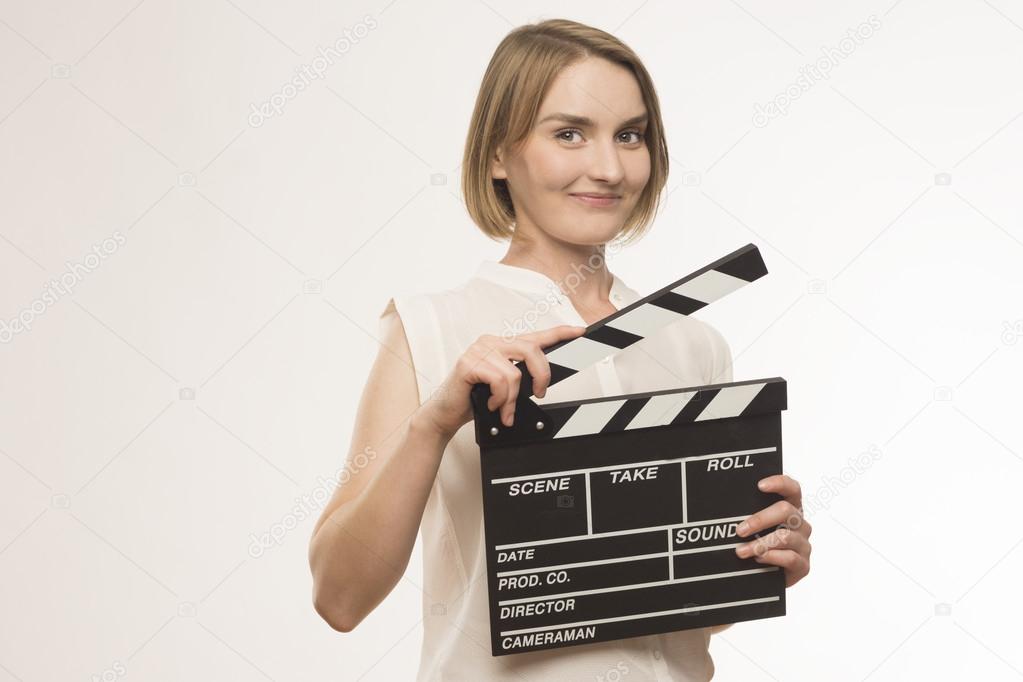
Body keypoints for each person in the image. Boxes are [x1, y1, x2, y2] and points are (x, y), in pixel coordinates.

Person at [309, 18, 812, 681]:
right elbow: (339, 598)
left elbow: (682, 611)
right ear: (497, 153)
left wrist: (763, 559)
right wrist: (432, 425)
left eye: (629, 135)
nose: (607, 167)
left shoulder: (692, 344)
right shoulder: (431, 328)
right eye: (568, 133)